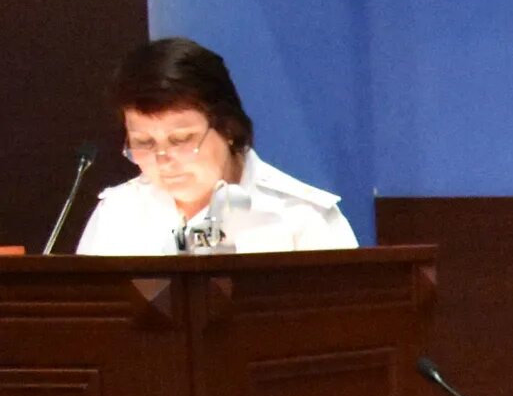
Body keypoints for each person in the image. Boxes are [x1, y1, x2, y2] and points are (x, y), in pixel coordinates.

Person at [75, 38, 358, 255]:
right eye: (143, 143)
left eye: (181, 140)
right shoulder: (118, 214)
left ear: (229, 129)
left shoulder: (301, 218)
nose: (163, 160)